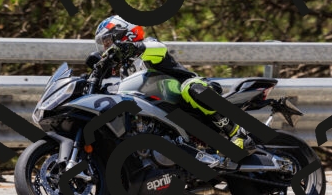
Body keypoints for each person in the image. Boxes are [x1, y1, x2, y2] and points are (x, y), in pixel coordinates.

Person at [93, 15, 256, 156]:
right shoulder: (124, 70)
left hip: (187, 95)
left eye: (108, 42)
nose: (106, 48)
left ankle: (237, 133)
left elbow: (159, 49)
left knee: (191, 89)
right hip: (164, 113)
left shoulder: (147, 46)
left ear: (125, 34)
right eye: (104, 45)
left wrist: (134, 47)